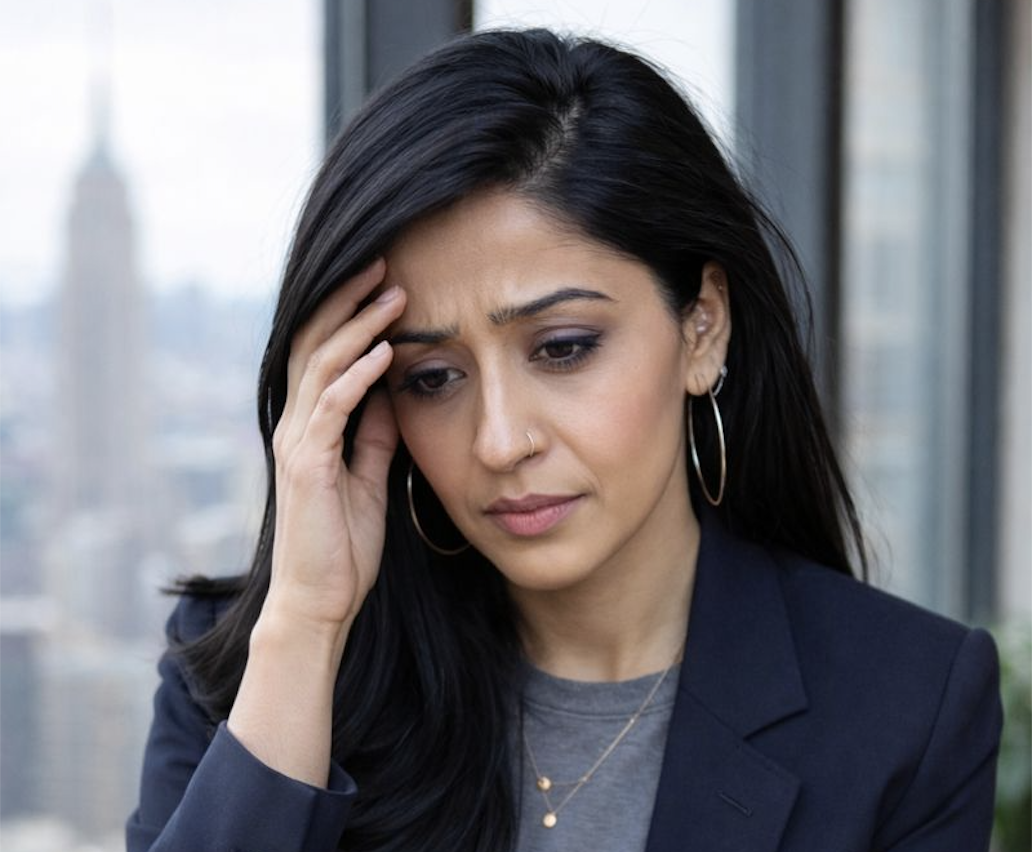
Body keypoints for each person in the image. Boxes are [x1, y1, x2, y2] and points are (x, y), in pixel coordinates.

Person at [126, 28, 1002, 852]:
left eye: (563, 349)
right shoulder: (252, 676)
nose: (500, 442)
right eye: (433, 379)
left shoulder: (906, 705)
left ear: (703, 327)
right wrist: (309, 625)